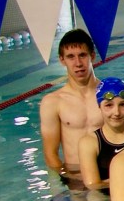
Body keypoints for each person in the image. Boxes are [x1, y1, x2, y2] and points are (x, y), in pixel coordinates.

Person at [39, 29, 104, 181]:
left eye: (82, 55)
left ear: (92, 56)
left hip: (110, 175)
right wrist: (67, 182)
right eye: (70, 57)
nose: (78, 63)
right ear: (62, 60)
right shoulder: (53, 102)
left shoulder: (109, 96)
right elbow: (50, 154)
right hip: (75, 177)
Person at [78, 77, 124, 191]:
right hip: (103, 198)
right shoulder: (89, 142)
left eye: (123, 105)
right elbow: (93, 185)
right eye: (109, 105)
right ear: (99, 106)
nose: (117, 112)